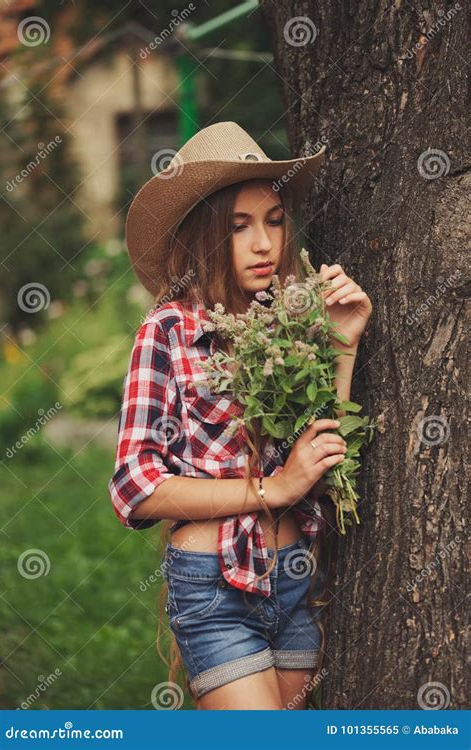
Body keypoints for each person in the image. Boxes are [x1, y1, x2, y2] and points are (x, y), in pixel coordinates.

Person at [108, 121, 373, 710]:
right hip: (215, 589)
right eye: (240, 226)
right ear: (206, 235)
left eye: (275, 221)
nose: (265, 244)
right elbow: (135, 489)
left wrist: (343, 347)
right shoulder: (170, 331)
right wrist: (272, 488)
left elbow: (323, 461)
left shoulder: (292, 326)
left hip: (300, 581)